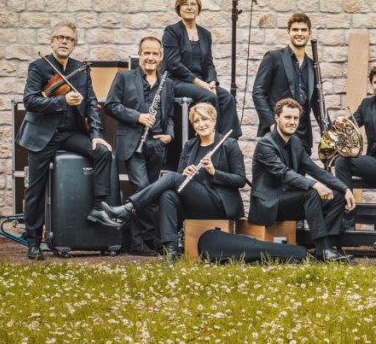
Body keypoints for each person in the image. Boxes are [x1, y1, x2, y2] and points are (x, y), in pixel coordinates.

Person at [17, 23, 120, 260]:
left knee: (103, 153)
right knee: (35, 190)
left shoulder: (80, 70)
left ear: (74, 44)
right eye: (60, 37)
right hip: (43, 135)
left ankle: (98, 208)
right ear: (52, 41)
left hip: (71, 133)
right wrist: (63, 102)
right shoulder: (39, 67)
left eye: (69, 39)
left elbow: (92, 105)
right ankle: (33, 242)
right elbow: (30, 101)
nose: (64, 42)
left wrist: (96, 136)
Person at [107, 103, 246, 261]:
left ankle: (130, 207)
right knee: (167, 195)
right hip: (194, 204)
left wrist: (214, 172)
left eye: (205, 119)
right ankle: (171, 249)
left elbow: (240, 180)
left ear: (214, 120)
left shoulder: (229, 144)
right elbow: (179, 178)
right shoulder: (190, 146)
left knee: (172, 177)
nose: (201, 124)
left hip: (219, 204)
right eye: (196, 121)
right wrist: (185, 173)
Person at [248, 98, 354, 263]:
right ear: (277, 118)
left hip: (292, 200)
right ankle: (322, 249)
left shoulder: (296, 142)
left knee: (337, 196)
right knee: (311, 193)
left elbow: (314, 169)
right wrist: (315, 185)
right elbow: (284, 173)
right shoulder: (265, 145)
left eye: (295, 118)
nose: (292, 122)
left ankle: (330, 247)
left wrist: (344, 188)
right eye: (288, 117)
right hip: (270, 204)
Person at [103, 36, 175, 256]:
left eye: (155, 53)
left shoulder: (167, 83)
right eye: (147, 53)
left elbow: (169, 115)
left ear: (161, 56)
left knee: (150, 194)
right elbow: (110, 106)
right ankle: (141, 241)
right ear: (140, 55)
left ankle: (141, 242)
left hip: (156, 144)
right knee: (143, 188)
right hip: (133, 143)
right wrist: (138, 117)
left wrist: (169, 135)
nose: (150, 57)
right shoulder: (124, 78)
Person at [162, 0, 242, 138]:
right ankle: (213, 139)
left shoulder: (205, 34)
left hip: (201, 82)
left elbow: (208, 63)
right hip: (177, 81)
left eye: (193, 4)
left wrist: (211, 81)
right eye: (185, 4)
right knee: (209, 96)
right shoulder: (172, 31)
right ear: (178, 8)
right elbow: (174, 64)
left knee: (228, 98)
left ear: (198, 8)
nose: (189, 7)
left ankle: (229, 141)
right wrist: (201, 84)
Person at [332, 65, 376, 231]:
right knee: (342, 162)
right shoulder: (367, 104)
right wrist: (341, 122)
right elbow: (351, 125)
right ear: (372, 85)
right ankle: (345, 216)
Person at [252, 13, 324, 155]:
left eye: (303, 30)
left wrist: (327, 130)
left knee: (299, 177)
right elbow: (258, 92)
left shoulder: (312, 65)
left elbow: (317, 102)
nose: (299, 33)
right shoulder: (273, 57)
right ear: (288, 32)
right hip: (278, 132)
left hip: (302, 135)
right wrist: (272, 124)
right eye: (295, 29)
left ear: (309, 33)